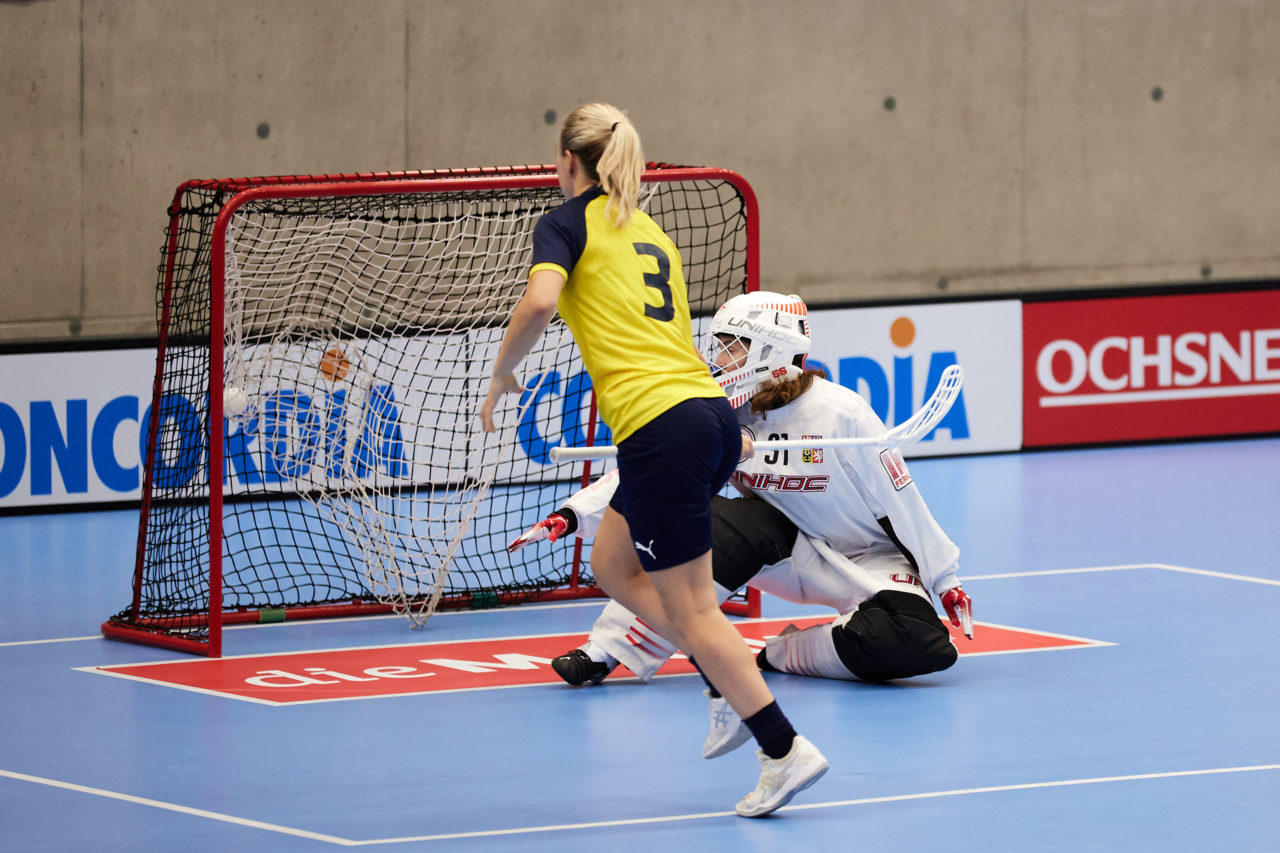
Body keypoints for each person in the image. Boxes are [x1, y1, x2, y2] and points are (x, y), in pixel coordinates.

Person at [479, 104, 827, 818]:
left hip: (661, 426)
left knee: (694, 607)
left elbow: (540, 303)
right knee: (612, 564)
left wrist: (501, 372)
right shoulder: (646, 228)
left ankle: (782, 747)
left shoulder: (565, 222)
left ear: (568, 161)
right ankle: (722, 681)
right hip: (705, 416)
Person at [511, 290, 974, 759]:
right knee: (715, 520)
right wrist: (570, 514)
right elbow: (652, 467)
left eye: (731, 345)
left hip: (868, 559)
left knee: (923, 644)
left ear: (767, 349)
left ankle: (780, 654)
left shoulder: (841, 413)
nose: (719, 357)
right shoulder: (717, 409)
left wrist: (945, 579)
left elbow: (900, 500)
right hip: (784, 545)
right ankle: (604, 651)